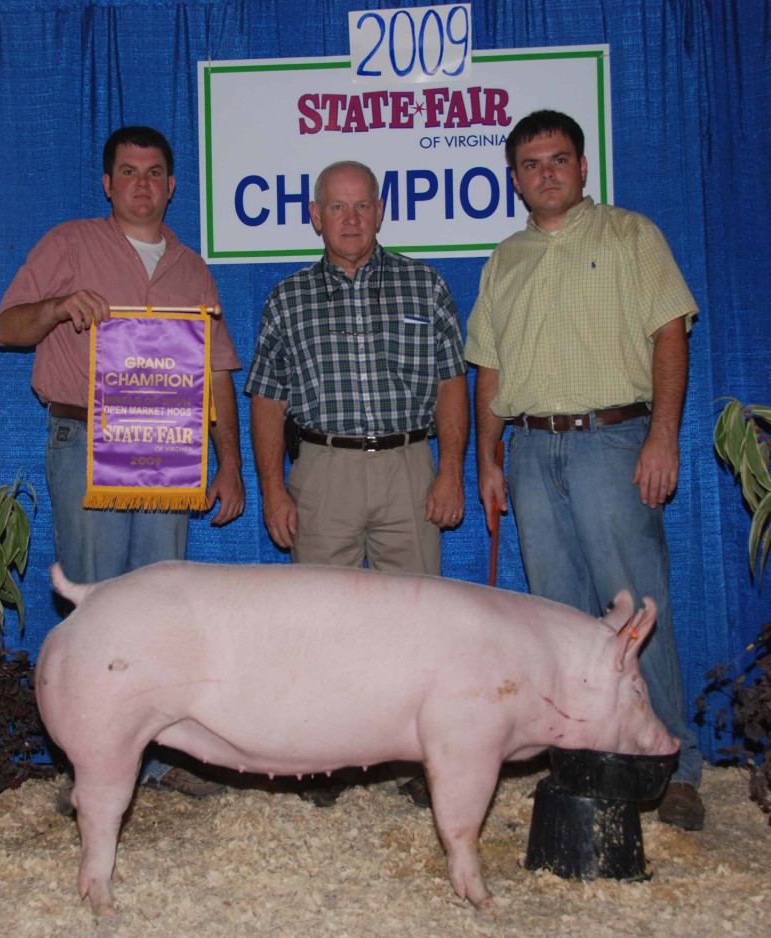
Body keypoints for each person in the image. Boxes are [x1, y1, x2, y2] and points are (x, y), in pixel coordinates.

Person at [465, 110, 705, 830]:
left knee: (635, 608)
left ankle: (674, 764)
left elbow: (669, 332)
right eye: (531, 164)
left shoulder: (632, 236)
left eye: (558, 159)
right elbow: (489, 367)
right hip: (532, 449)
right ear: (515, 179)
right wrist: (487, 456)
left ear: (582, 167)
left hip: (612, 438)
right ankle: (580, 761)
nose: (546, 173)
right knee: (559, 617)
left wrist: (662, 436)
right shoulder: (504, 259)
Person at [0, 125, 245, 798]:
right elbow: (4, 328)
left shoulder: (190, 266)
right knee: (98, 602)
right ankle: (91, 764)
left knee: (159, 605)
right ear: (107, 183)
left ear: (170, 185)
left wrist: (231, 465)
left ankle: (161, 761)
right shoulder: (69, 244)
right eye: (128, 172)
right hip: (85, 440)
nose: (142, 183)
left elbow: (219, 372)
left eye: (154, 172)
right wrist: (54, 308)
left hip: (170, 446)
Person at [245, 160, 468, 806]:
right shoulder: (287, 298)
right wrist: (274, 486)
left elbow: (454, 385)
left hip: (408, 466)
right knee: (320, 622)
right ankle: (322, 759)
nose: (349, 219)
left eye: (362, 206)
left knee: (419, 620)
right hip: (323, 468)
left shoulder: (424, 287)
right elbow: (266, 399)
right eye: (336, 207)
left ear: (380, 212)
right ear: (314, 216)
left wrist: (450, 468)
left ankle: (418, 758)